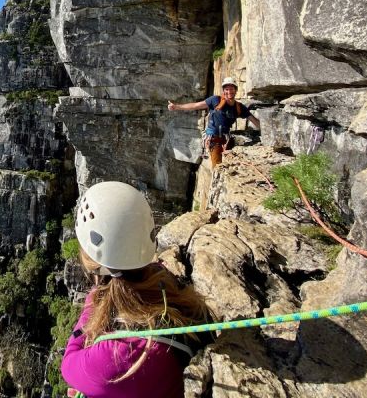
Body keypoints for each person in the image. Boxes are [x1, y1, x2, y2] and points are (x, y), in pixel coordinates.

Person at [61, 181, 212, 398]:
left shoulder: (112, 358)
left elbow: (69, 364)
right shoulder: (167, 284)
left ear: (91, 260)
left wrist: (93, 303)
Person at [167, 76, 260, 168]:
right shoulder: (215, 100)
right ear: (223, 91)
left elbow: (254, 121)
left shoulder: (239, 107)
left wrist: (266, 131)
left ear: (235, 90)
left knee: (230, 165)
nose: (229, 92)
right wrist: (177, 107)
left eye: (231, 89)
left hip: (226, 139)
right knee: (217, 166)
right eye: (226, 89)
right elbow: (196, 105)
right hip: (213, 140)